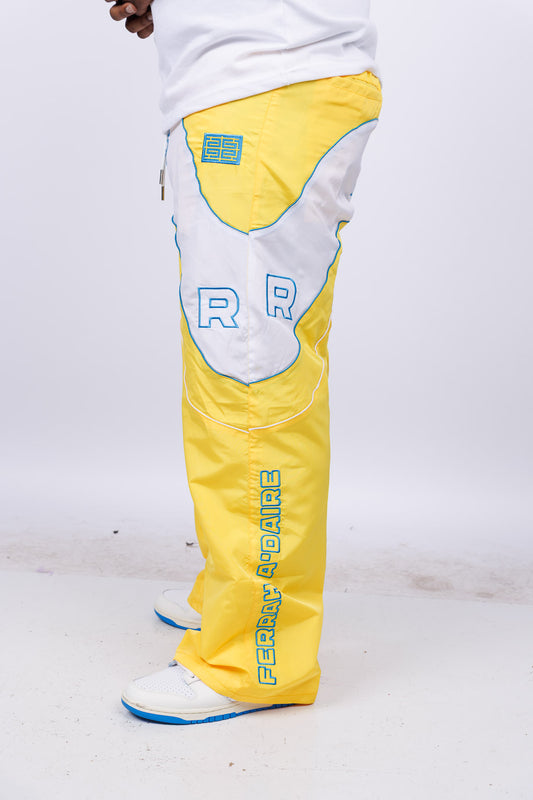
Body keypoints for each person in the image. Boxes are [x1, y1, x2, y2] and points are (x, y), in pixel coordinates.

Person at [106, 0, 382, 725]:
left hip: (265, 82)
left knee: (251, 377)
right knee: (241, 363)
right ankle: (234, 592)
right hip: (257, 86)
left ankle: (257, 657)